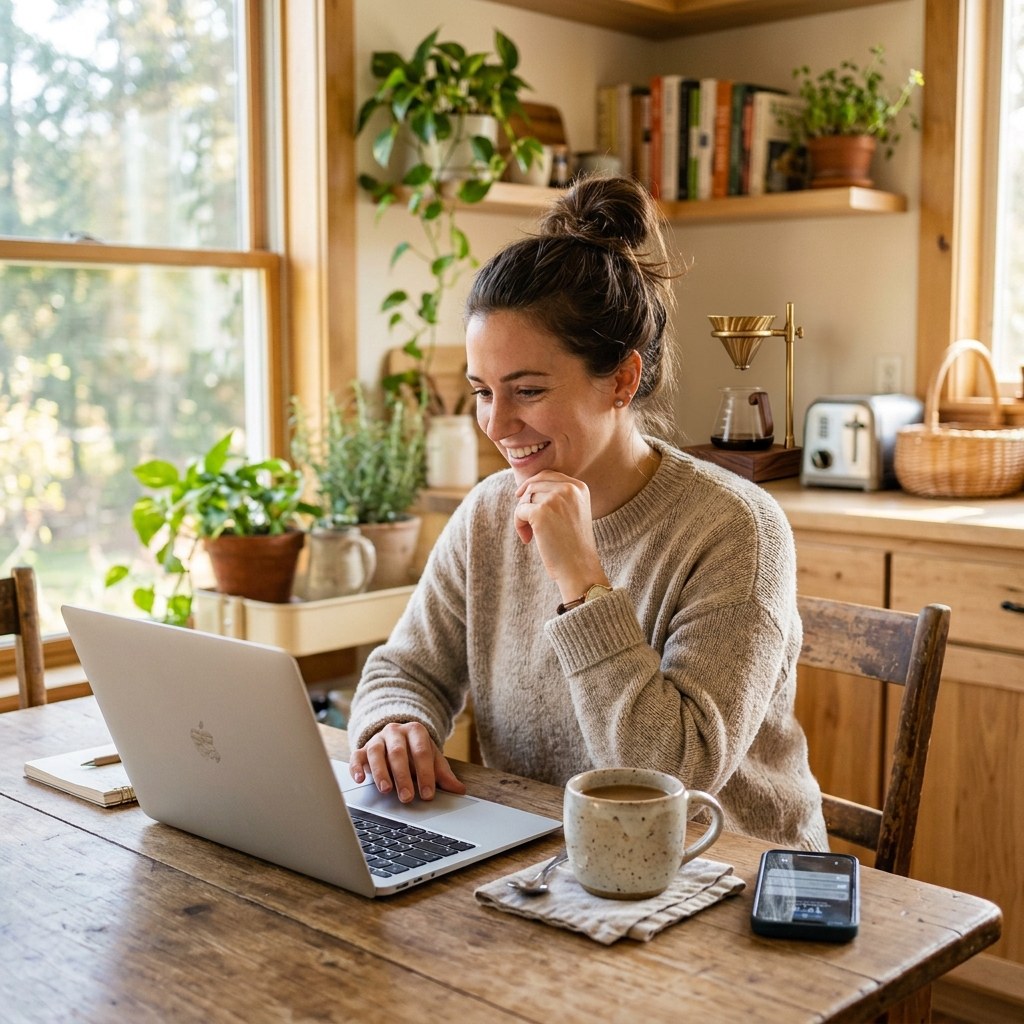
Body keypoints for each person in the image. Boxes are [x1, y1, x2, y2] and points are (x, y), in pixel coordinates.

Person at [347, 174, 828, 850]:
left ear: (623, 381)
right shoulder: (489, 515)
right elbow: (405, 669)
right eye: (483, 391)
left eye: (529, 390)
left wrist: (582, 581)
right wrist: (396, 723)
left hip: (725, 875)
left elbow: (673, 776)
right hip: (550, 861)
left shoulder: (735, 531)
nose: (498, 423)